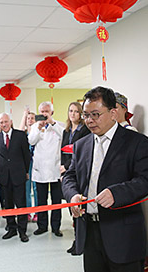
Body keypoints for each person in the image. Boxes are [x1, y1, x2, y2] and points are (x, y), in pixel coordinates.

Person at [62, 86, 148, 272]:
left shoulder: (136, 142)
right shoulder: (81, 145)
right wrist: (72, 195)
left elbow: (147, 179)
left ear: (113, 113)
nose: (89, 121)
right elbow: (70, 176)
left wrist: (117, 193)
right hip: (89, 232)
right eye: (86, 115)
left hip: (123, 234)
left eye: (95, 114)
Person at [0, 113, 31, 242]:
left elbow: (26, 155)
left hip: (18, 175)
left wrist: (25, 171)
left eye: (6, 121)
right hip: (4, 177)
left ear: (11, 121)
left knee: (21, 204)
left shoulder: (20, 135)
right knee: (7, 204)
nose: (4, 124)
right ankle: (11, 228)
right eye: (1, 122)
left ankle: (22, 230)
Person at [28, 102, 64, 237]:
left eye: (46, 111)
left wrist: (52, 124)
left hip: (55, 168)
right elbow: (31, 141)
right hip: (40, 169)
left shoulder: (59, 125)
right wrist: (38, 127)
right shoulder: (34, 127)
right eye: (42, 111)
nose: (44, 114)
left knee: (56, 201)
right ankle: (42, 226)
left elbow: (63, 136)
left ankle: (56, 227)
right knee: (41, 201)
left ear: (52, 113)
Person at [61, 102, 90, 255]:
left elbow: (80, 154)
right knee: (72, 209)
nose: (73, 114)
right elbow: (63, 151)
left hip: (78, 171)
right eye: (70, 111)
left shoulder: (85, 130)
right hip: (68, 173)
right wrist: (62, 169)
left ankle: (81, 242)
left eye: (76, 111)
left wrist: (66, 167)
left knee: (80, 210)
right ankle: (76, 240)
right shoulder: (66, 131)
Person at [19, 108, 38, 222]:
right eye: (28, 118)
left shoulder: (38, 131)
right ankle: (26, 212)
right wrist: (24, 115)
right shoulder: (23, 133)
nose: (30, 120)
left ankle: (37, 212)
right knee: (26, 188)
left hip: (36, 162)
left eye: (32, 118)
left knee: (36, 188)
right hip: (26, 163)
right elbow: (20, 130)